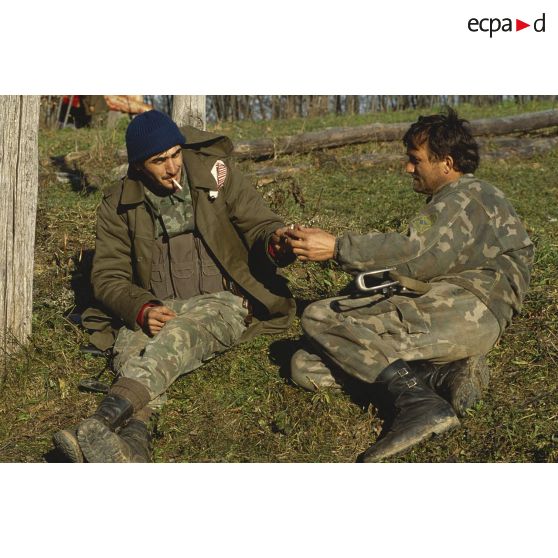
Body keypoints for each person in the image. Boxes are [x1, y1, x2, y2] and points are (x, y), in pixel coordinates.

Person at [283, 108, 533, 462]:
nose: (408, 168)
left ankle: (420, 405)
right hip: (460, 316)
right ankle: (439, 377)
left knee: (321, 316)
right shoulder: (461, 200)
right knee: (306, 365)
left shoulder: (464, 196)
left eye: (415, 160)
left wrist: (336, 248)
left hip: (469, 308)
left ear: (446, 163)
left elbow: (413, 251)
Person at [53, 110, 295, 463]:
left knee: (176, 342)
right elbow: (107, 276)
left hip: (223, 302)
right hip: (158, 304)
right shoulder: (117, 204)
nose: (171, 168)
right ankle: (133, 447)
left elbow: (258, 221)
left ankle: (97, 422)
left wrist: (275, 240)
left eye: (175, 154)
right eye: (158, 161)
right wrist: (141, 308)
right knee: (131, 352)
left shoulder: (216, 174)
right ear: (138, 166)